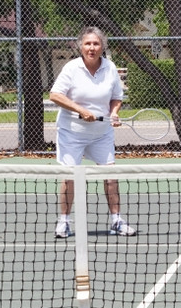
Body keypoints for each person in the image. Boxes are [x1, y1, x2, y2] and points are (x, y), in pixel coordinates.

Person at [48, 26, 136, 238]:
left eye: (96, 43)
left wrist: (114, 113)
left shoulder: (110, 68)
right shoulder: (71, 68)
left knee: (110, 175)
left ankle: (116, 221)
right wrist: (81, 110)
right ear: (81, 46)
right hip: (71, 132)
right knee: (69, 176)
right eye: (87, 43)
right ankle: (64, 223)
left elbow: (117, 97)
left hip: (101, 133)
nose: (92, 47)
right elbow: (55, 95)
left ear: (102, 46)